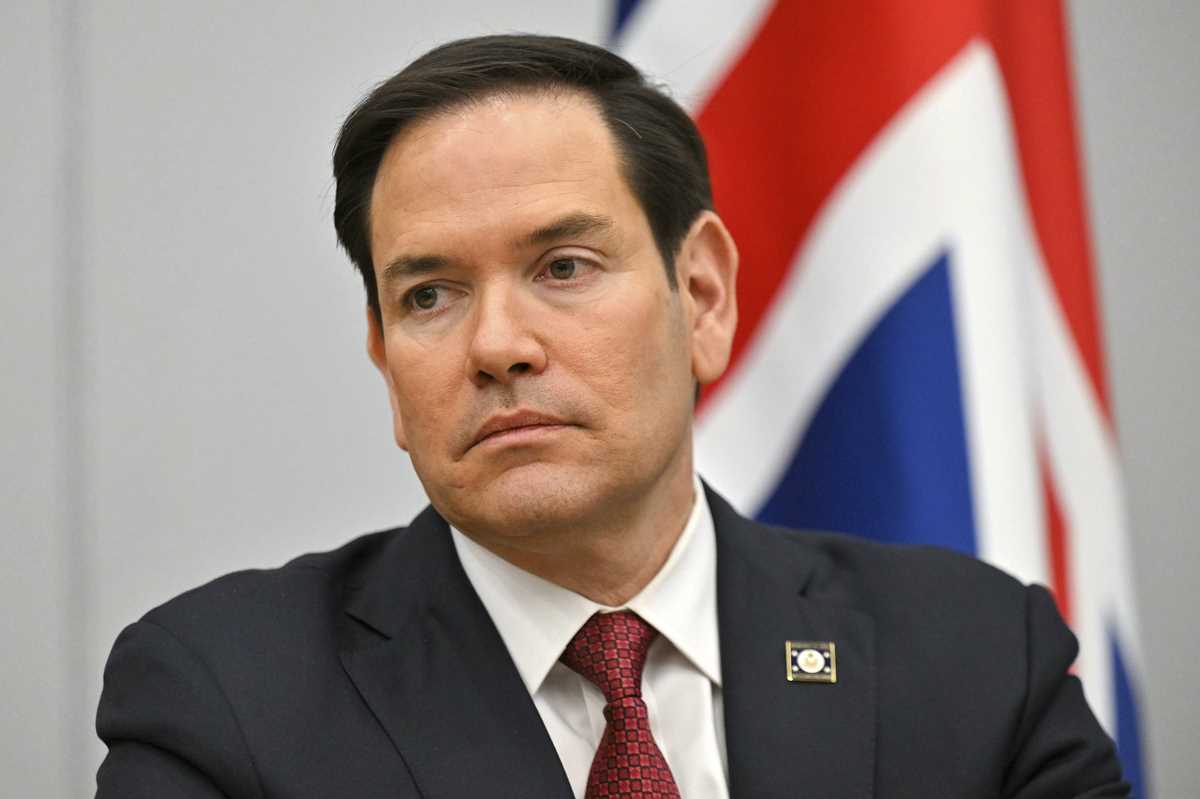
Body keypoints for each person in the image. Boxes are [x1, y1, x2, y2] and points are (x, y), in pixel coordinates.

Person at [95, 34, 1129, 798]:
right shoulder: (224, 699)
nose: (497, 345)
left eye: (563, 267)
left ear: (704, 298)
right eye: (430, 295)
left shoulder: (980, 658)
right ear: (384, 358)